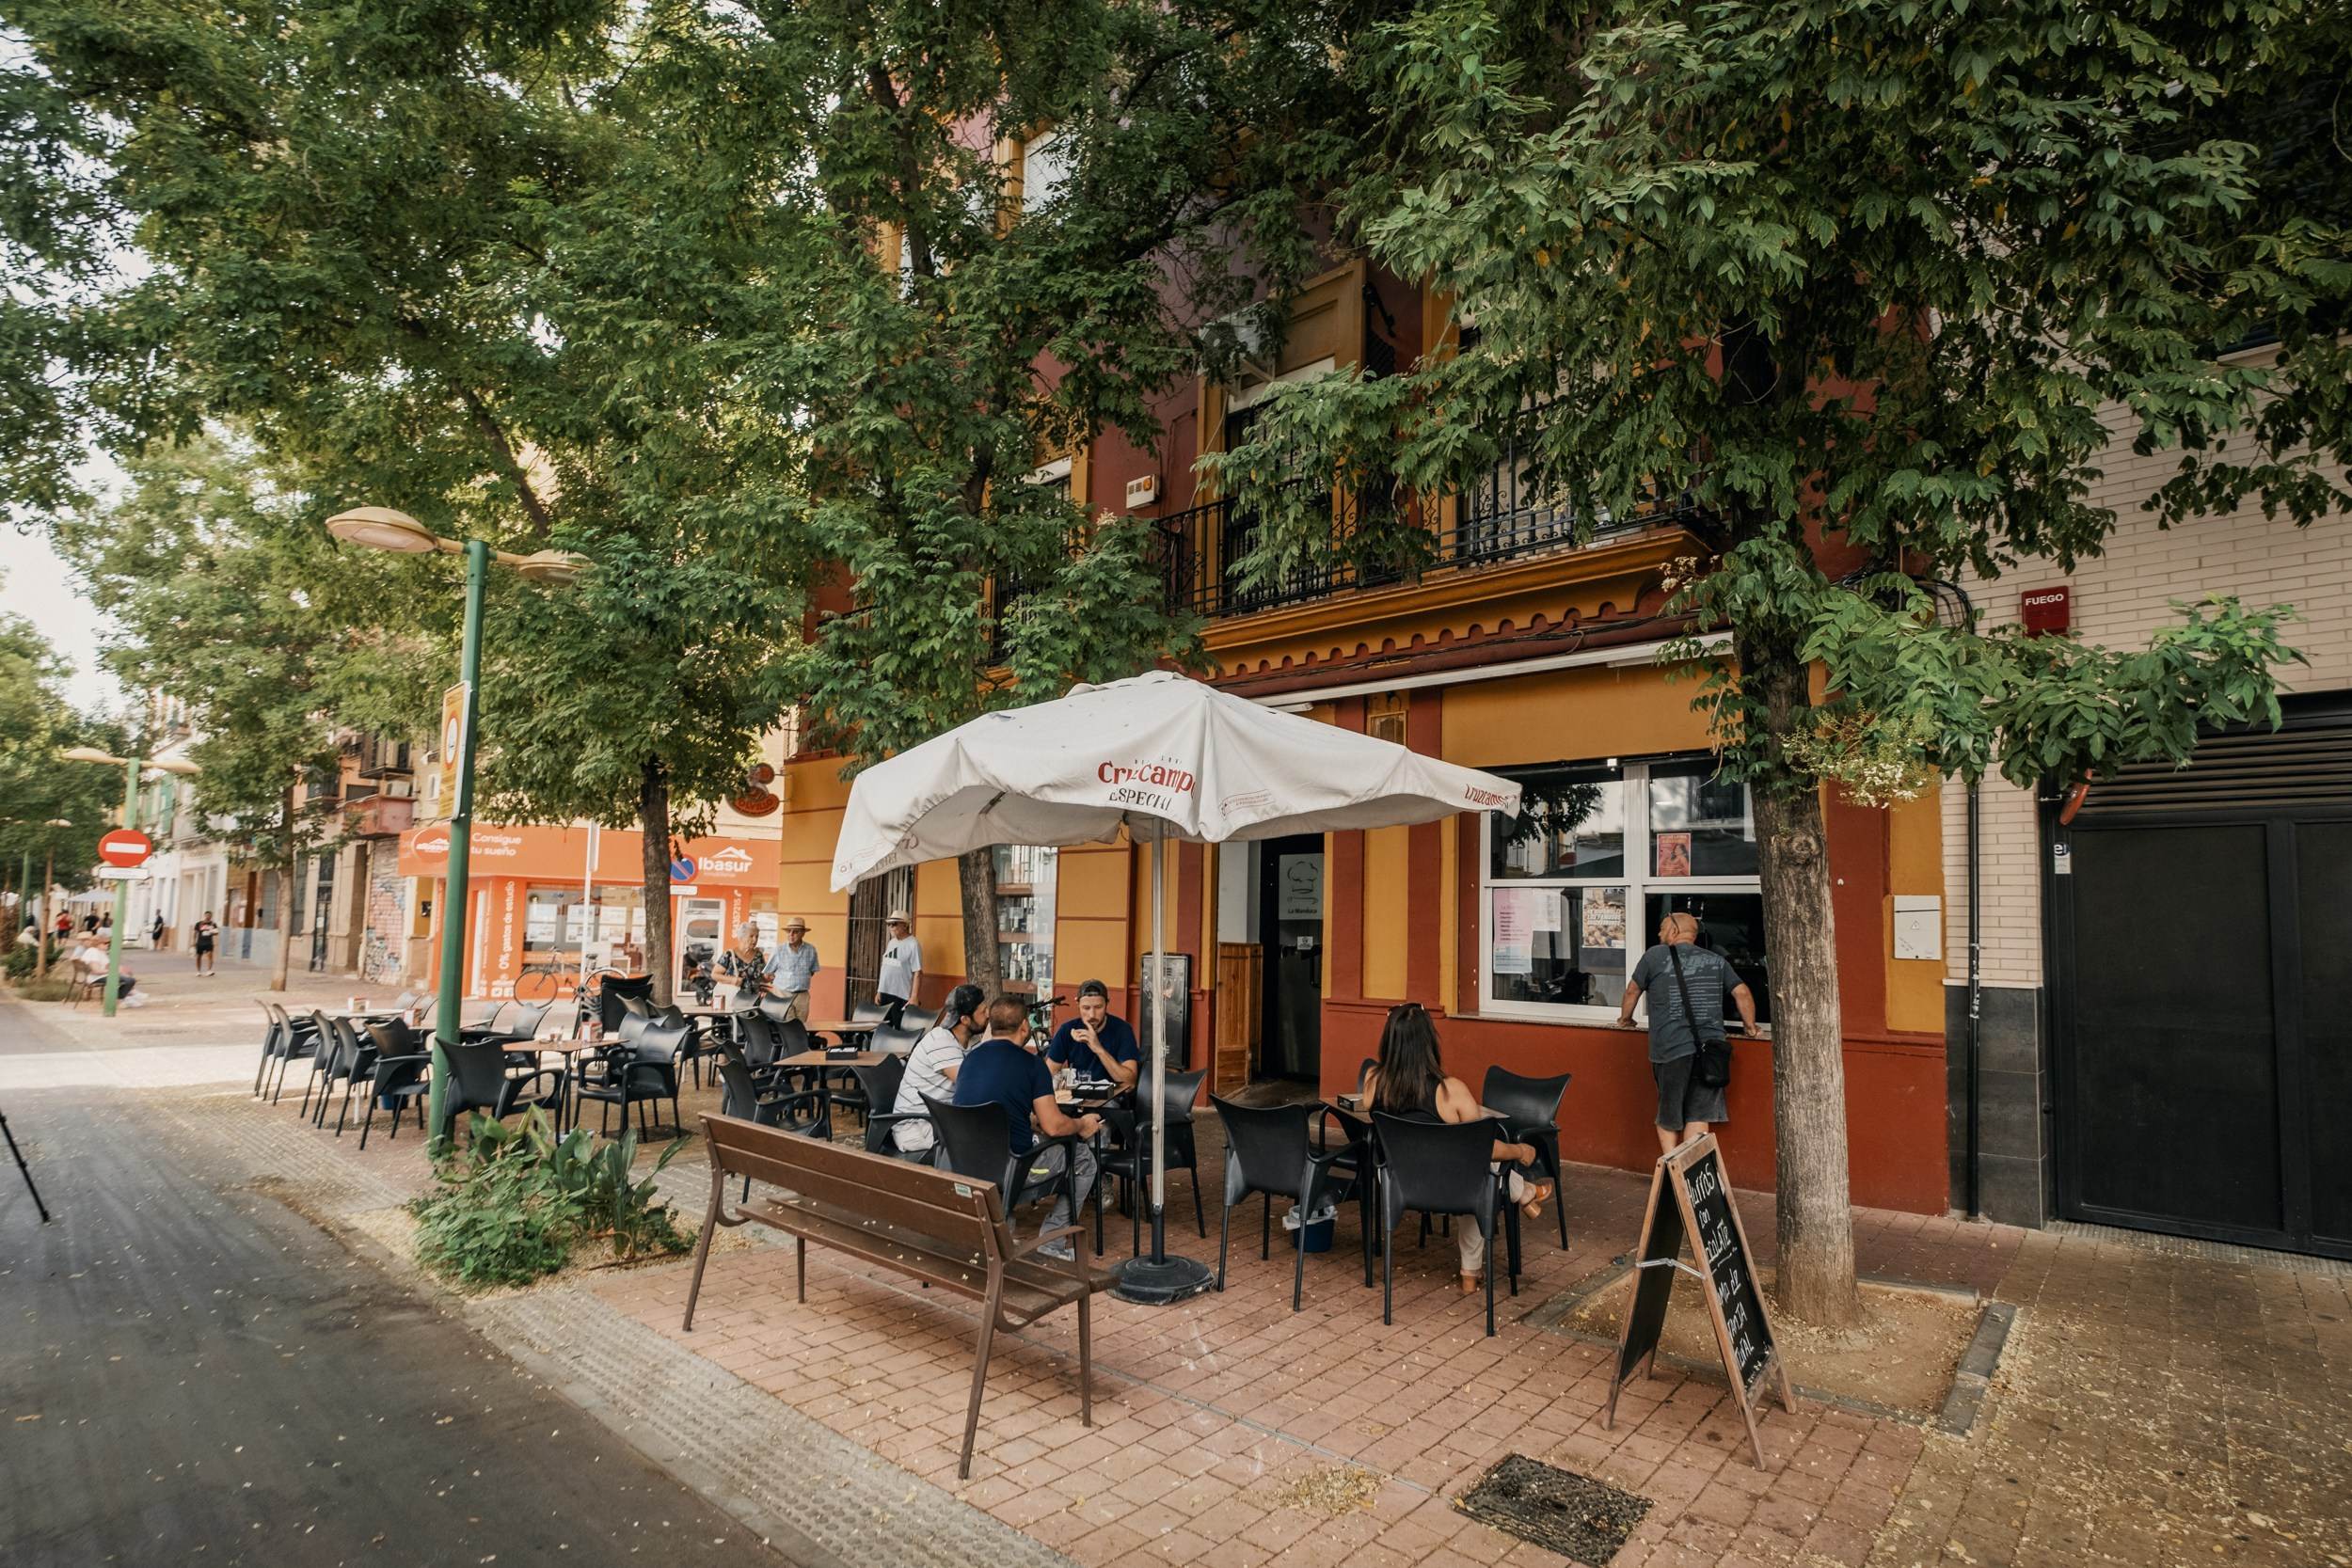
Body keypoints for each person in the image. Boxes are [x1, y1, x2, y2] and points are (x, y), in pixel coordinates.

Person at [1362, 1003, 1552, 1295]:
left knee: (1474, 1168)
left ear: (1390, 1039)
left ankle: (1524, 1193)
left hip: (1395, 1181)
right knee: (1479, 1172)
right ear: (1429, 1042)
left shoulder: (1374, 1081)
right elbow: (1485, 1150)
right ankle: (1470, 1272)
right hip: (1449, 1186)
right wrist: (1520, 1151)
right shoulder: (1451, 1091)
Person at [952, 995, 1103, 1259]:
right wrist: (1081, 1123)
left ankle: (1002, 1231)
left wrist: (1028, 1120)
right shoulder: (1032, 1064)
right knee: (1083, 1160)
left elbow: (993, 1105)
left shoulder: (970, 1060)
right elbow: (1055, 1127)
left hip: (968, 1162)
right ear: (1024, 1026)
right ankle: (1051, 1244)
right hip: (1017, 1167)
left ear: (991, 1024)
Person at [1614, 911, 1758, 1154]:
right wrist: (1750, 1027)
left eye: (1661, 928)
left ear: (1674, 931)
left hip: (1671, 1048)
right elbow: (1742, 993)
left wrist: (1625, 1019)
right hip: (1711, 1050)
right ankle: (1690, 1179)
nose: (1659, 933)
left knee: (1669, 1115)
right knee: (1699, 1114)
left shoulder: (1655, 956)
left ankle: (1673, 1172)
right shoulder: (1716, 960)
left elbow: (1632, 991)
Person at [892, 982, 985, 1159]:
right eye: (983, 1011)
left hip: (941, 1119)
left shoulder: (973, 1039)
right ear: (965, 1019)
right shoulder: (941, 1042)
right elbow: (972, 1085)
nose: (988, 1015)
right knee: (986, 1134)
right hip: (916, 1128)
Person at [1044, 979, 1140, 1092]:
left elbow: (1130, 1084)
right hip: (1074, 1097)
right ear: (1078, 1004)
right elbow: (1048, 1074)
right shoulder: (1067, 1030)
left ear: (1107, 1004)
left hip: (1111, 1098)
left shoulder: (1122, 1030)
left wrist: (1098, 1048)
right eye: (1086, 1008)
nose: (1092, 1015)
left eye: (1098, 1007)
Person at [764, 917, 819, 1023]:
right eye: (789, 931)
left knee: (801, 1026)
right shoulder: (779, 950)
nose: (791, 934)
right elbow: (768, 974)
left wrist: (798, 979)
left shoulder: (811, 950)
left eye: (795, 932)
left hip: (802, 995)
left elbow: (812, 971)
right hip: (783, 993)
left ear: (803, 933)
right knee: (788, 1025)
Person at [874, 911, 922, 1028]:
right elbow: (885, 967)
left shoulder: (913, 944)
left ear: (905, 925)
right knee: (883, 1028)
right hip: (885, 992)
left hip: (900, 994)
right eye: (889, 924)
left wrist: (914, 996)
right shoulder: (892, 943)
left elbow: (918, 972)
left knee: (899, 1028)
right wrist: (879, 990)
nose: (891, 927)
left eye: (894, 924)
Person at [718, 922, 767, 1004]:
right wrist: (731, 980)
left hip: (753, 1001)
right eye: (751, 936)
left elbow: (760, 976)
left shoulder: (758, 955)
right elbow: (714, 974)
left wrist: (768, 977)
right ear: (742, 937)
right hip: (734, 1000)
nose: (755, 939)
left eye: (757, 936)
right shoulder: (729, 955)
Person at [193, 911, 220, 976]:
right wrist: (193, 941)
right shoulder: (199, 924)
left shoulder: (213, 924)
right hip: (200, 942)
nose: (208, 916)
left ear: (211, 916)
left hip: (209, 942)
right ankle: (198, 971)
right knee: (198, 957)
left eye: (210, 915)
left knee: (210, 956)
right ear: (205, 915)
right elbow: (195, 933)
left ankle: (209, 970)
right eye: (207, 915)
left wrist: (212, 932)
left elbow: (216, 933)